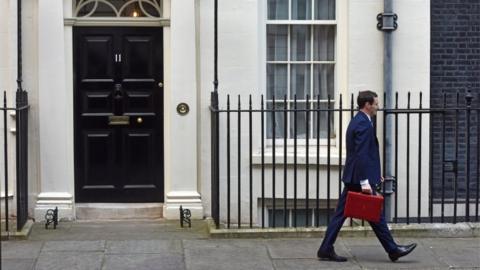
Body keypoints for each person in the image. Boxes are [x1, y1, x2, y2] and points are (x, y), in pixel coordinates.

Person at [317, 90, 416, 262]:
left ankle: (325, 249)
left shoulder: (360, 121)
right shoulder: (363, 124)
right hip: (358, 179)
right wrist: (365, 182)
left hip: (354, 176)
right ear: (367, 105)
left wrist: (375, 175)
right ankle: (393, 250)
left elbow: (363, 154)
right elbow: (361, 155)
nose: (378, 107)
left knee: (343, 215)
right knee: (374, 214)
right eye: (376, 104)